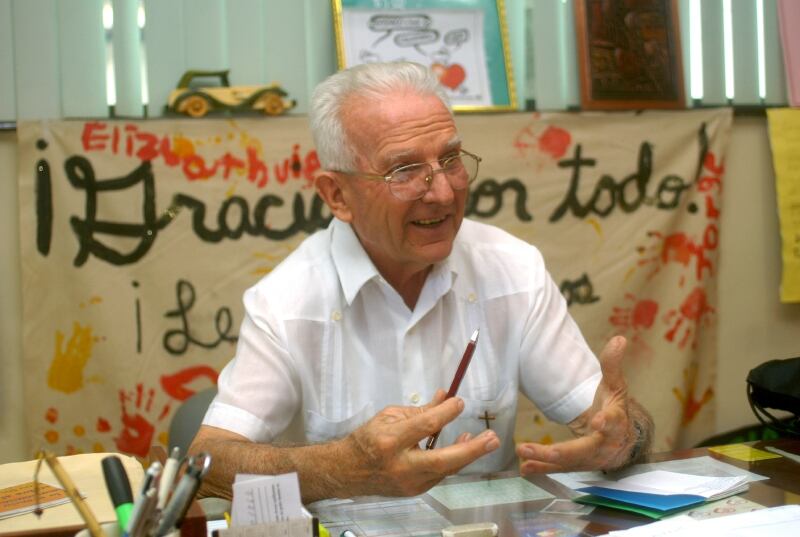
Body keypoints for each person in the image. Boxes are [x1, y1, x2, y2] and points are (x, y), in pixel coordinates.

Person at [189, 61, 653, 503]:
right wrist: (343, 466)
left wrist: (624, 438)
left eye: (450, 159)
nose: (444, 192)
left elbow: (607, 421)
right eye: (404, 171)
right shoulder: (286, 301)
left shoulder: (512, 269)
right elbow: (208, 463)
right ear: (337, 195)